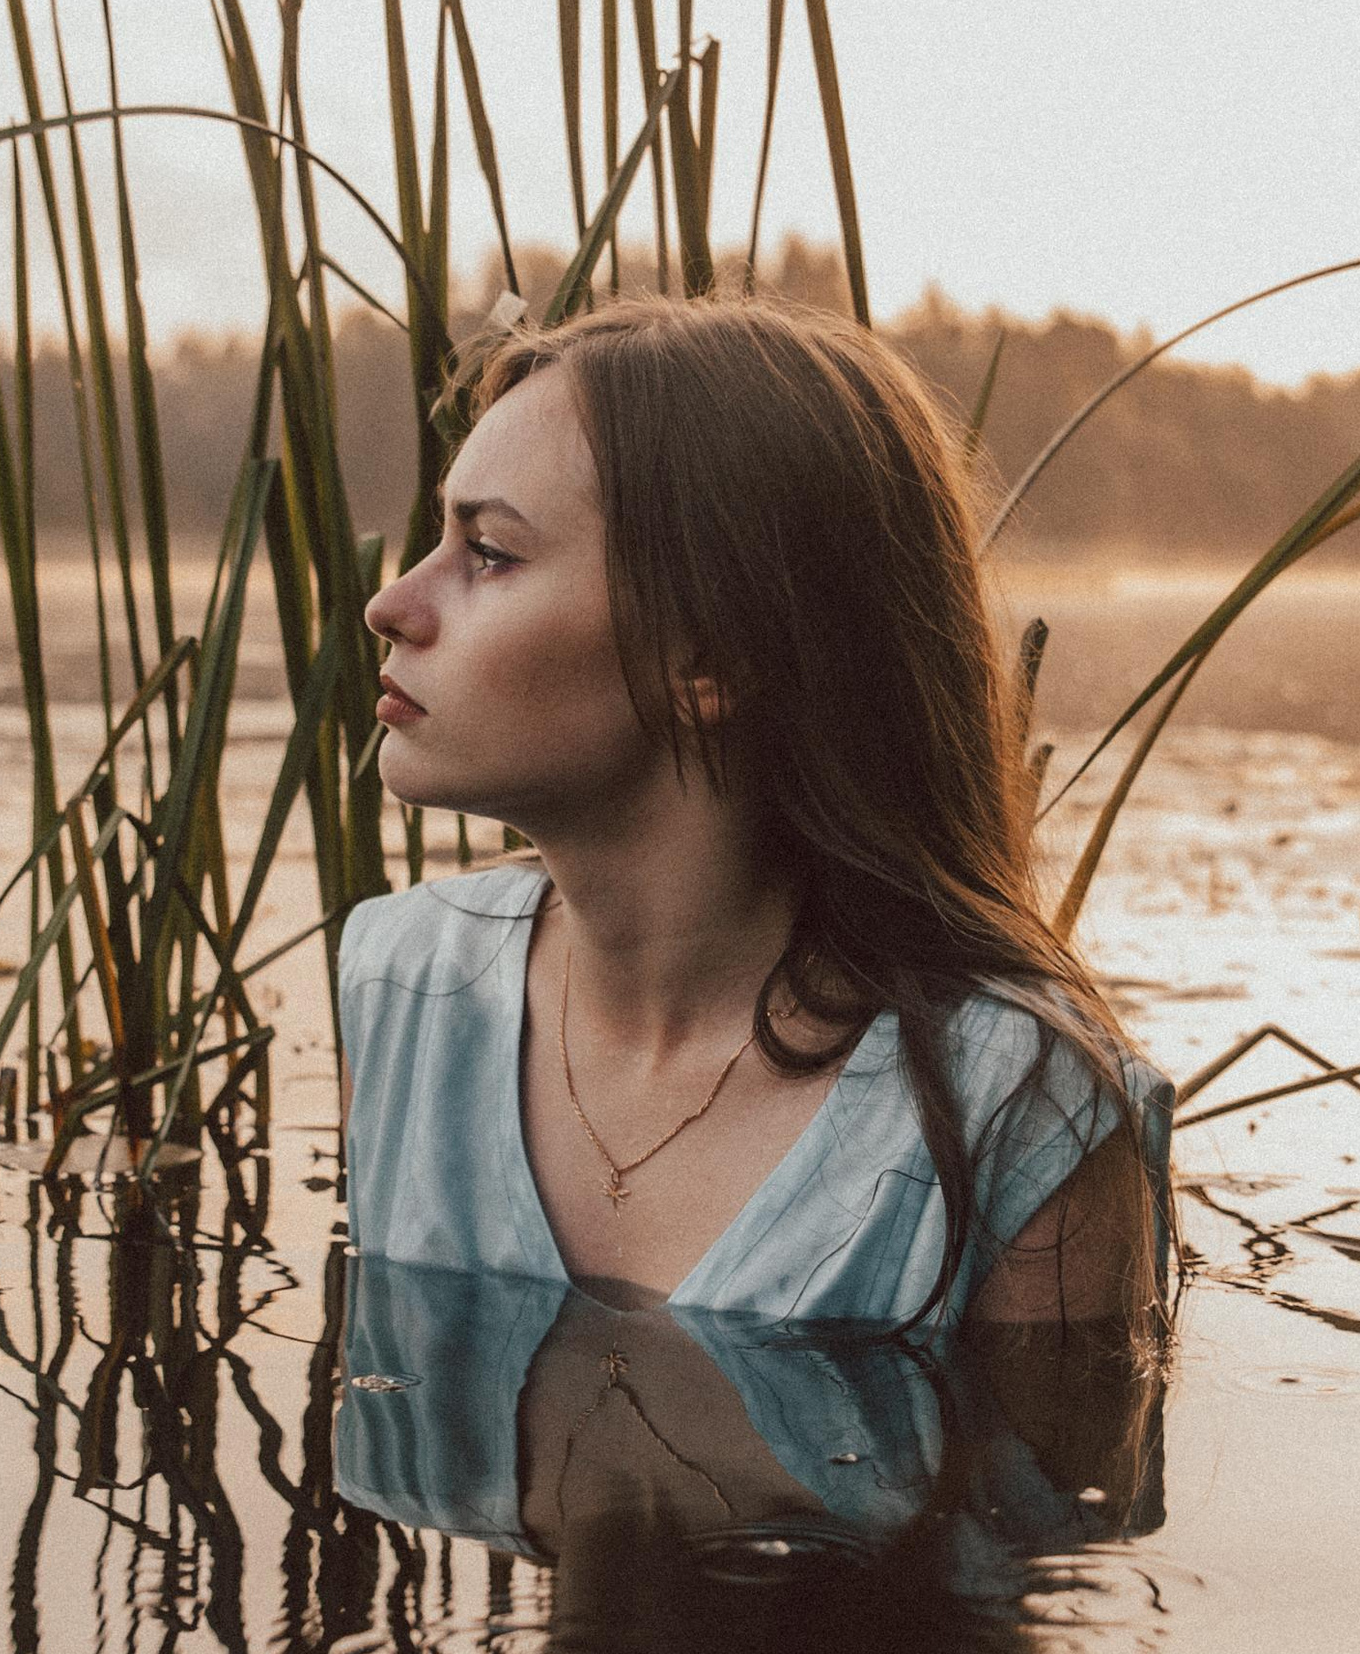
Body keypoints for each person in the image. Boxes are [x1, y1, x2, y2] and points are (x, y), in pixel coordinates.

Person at [339, 292, 1169, 1339]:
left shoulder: (1018, 1109)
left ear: (712, 658)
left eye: (489, 552)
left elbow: (1050, 1498)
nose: (392, 603)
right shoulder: (404, 984)